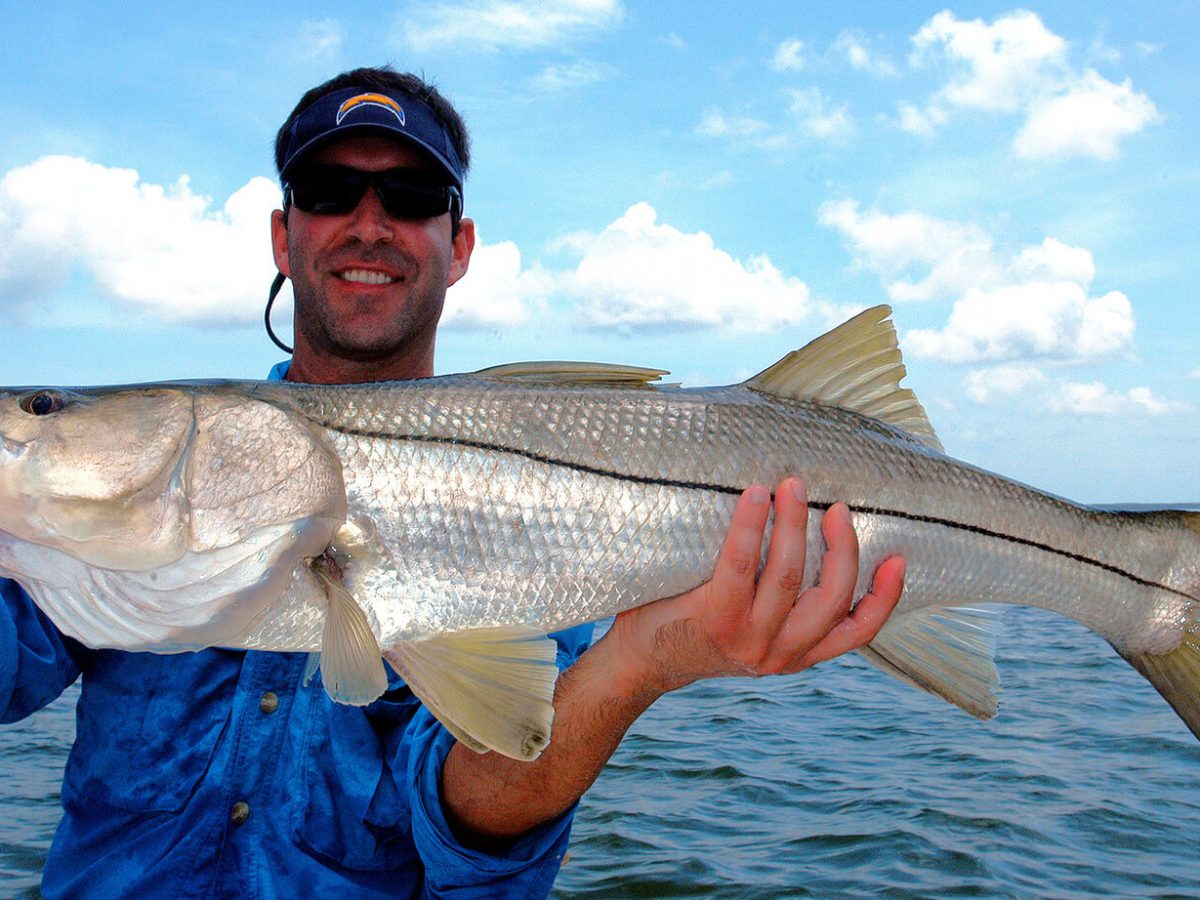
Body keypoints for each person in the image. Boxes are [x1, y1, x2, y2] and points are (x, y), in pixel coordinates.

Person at [0, 66, 904, 897]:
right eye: (325, 193)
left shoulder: (540, 507)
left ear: (459, 244)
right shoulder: (83, 537)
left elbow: (476, 825)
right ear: (283, 236)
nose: (368, 223)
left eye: (411, 195)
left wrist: (640, 664)